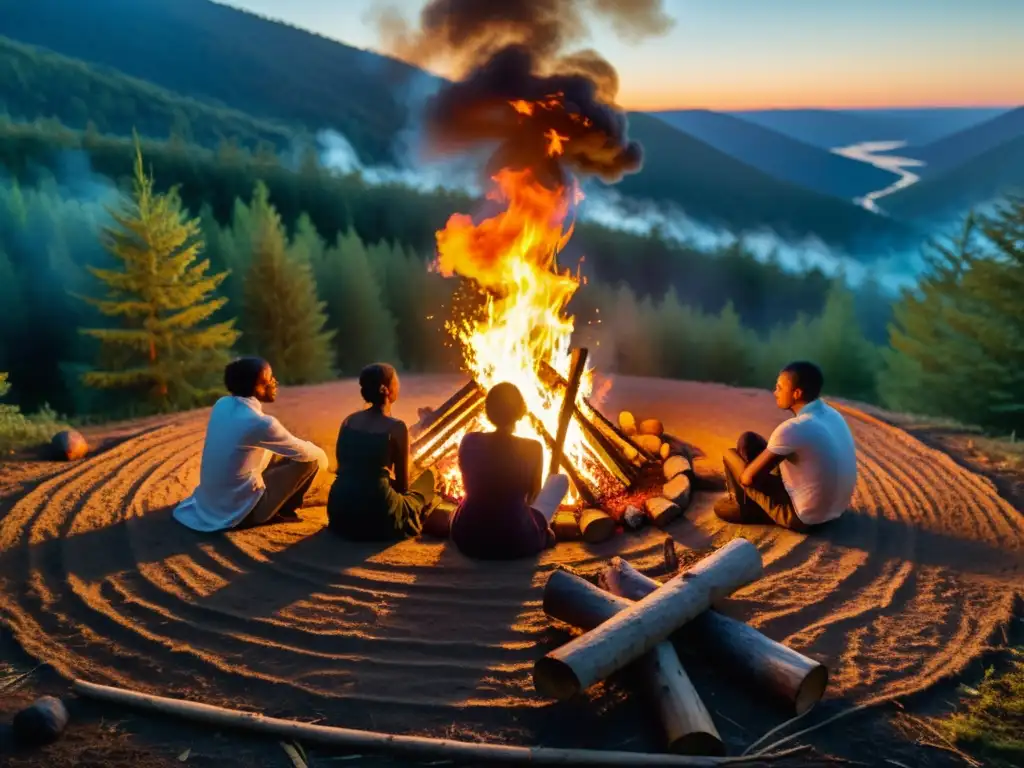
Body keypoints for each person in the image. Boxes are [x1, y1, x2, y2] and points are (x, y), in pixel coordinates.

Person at [173, 357, 328, 532]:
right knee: (310, 460)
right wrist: (325, 460)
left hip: (209, 504)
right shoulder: (261, 423)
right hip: (239, 514)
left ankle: (274, 503)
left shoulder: (222, 405)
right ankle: (283, 510)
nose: (275, 382)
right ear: (257, 386)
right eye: (270, 379)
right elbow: (306, 453)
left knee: (278, 452)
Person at [713, 361, 857, 532]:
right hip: (834, 510)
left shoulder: (794, 428)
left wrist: (744, 474)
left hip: (803, 518)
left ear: (796, 393)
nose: (775, 393)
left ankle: (743, 506)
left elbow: (748, 479)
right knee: (748, 440)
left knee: (729, 460)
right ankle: (748, 501)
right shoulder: (833, 415)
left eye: (780, 388)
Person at [450, 382, 570, 559]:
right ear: (519, 410)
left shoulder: (468, 440)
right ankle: (542, 532)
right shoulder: (533, 448)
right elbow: (532, 497)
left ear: (488, 411)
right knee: (561, 481)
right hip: (518, 540)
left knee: (463, 507)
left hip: (469, 538)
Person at [327, 363, 440, 541]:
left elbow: (343, 466)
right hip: (377, 511)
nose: (399, 385)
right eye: (396, 381)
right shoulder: (396, 427)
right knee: (427, 480)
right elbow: (403, 487)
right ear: (386, 389)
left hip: (340, 508)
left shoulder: (348, 421)